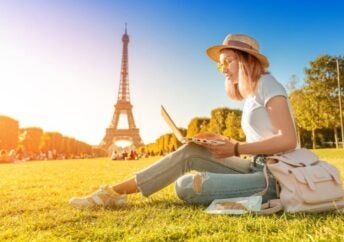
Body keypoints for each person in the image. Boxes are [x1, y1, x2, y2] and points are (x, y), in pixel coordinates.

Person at [70, 33, 297, 209]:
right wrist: (222, 141)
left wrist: (236, 148)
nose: (223, 69)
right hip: (256, 167)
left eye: (228, 61)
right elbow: (264, 139)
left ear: (246, 60)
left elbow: (288, 140)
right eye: (220, 64)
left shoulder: (269, 85)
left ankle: (257, 200)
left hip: (276, 179)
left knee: (185, 187)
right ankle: (113, 193)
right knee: (190, 151)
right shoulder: (252, 94)